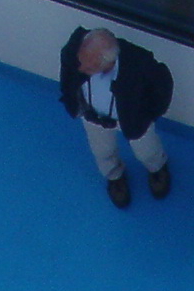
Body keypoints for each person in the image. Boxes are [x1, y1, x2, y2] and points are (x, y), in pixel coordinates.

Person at [59, 28, 172, 208]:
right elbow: (67, 74)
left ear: (108, 63)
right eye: (81, 62)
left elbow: (163, 85)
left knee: (147, 150)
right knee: (102, 151)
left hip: (133, 119)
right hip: (92, 115)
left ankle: (157, 167)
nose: (80, 69)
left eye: (89, 68)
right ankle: (114, 176)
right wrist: (73, 101)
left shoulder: (140, 63)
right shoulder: (74, 51)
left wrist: (149, 114)